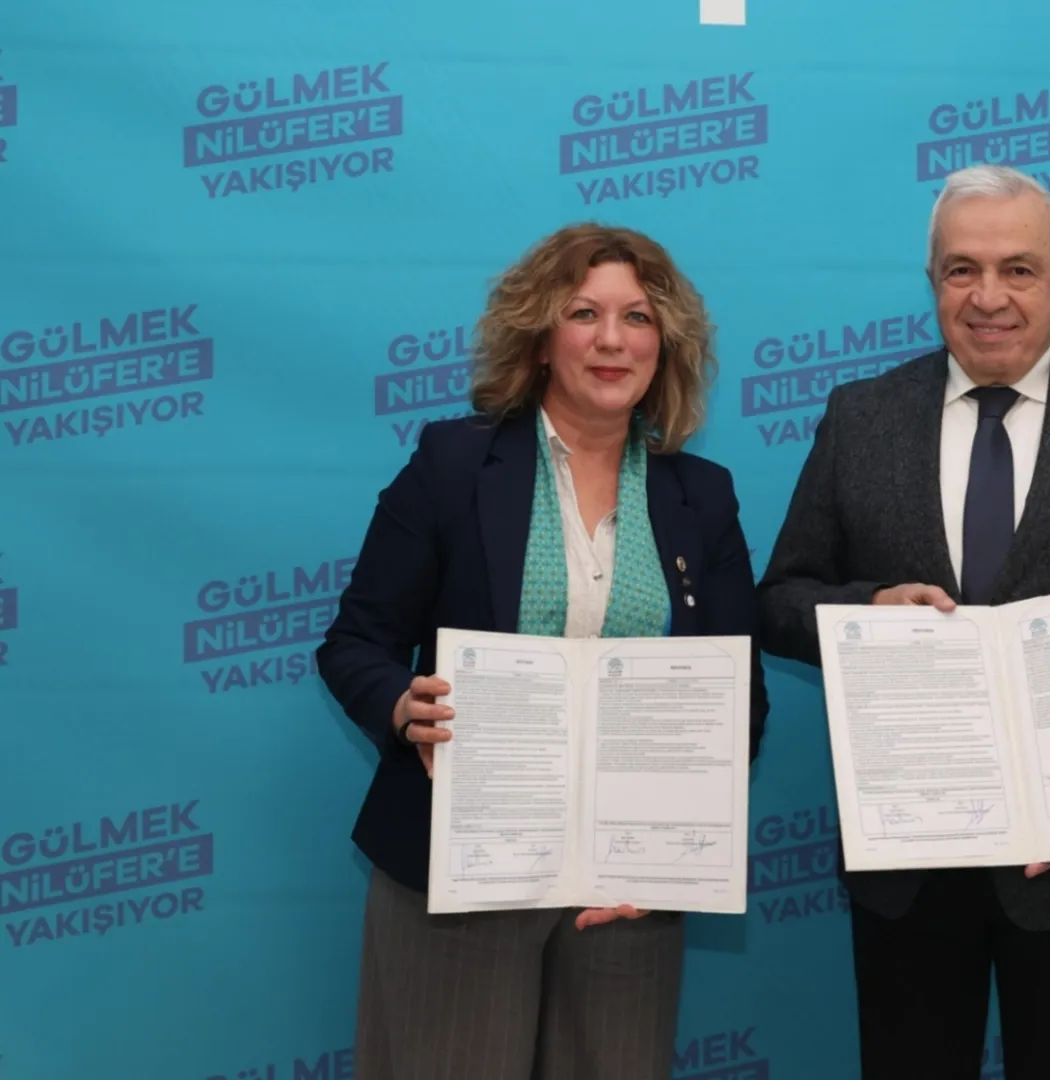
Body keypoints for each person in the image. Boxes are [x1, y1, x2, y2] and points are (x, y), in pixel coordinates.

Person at [755, 164, 1050, 1080]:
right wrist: (865, 609)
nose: (988, 297)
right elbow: (781, 600)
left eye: (1018, 269)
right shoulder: (861, 417)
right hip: (909, 863)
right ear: (932, 281)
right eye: (962, 270)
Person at [317, 223, 768, 1080]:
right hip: (459, 873)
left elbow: (737, 699)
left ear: (664, 345)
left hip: (626, 895)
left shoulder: (702, 496)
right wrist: (402, 706)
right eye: (584, 313)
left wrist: (674, 854)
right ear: (540, 337)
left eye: (637, 317)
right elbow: (356, 643)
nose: (612, 339)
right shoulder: (453, 463)